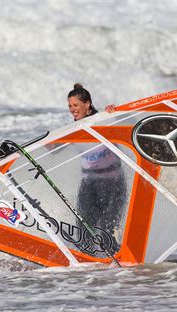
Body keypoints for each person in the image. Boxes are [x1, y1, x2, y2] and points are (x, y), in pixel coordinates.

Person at [67, 83, 126, 254]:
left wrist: (115, 111)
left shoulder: (106, 119)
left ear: (88, 104)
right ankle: (88, 268)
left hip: (112, 183)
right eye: (70, 106)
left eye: (76, 105)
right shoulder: (73, 130)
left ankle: (115, 271)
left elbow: (127, 122)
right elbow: (54, 149)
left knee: (109, 229)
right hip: (89, 185)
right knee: (84, 229)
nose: (72, 109)